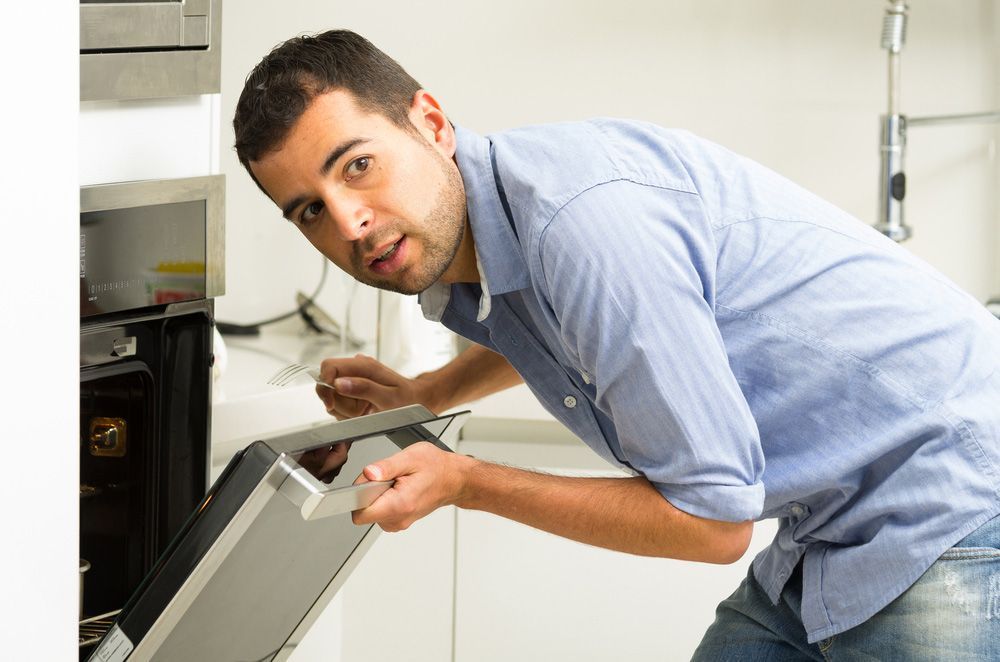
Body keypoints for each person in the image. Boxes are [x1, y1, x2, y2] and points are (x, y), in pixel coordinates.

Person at [233, 29, 1000, 659]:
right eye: (309, 211)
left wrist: (465, 480)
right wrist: (431, 395)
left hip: (951, 498)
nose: (348, 222)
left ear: (430, 122)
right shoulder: (505, 221)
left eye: (358, 166)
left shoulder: (581, 223)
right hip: (834, 523)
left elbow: (712, 525)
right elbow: (574, 323)